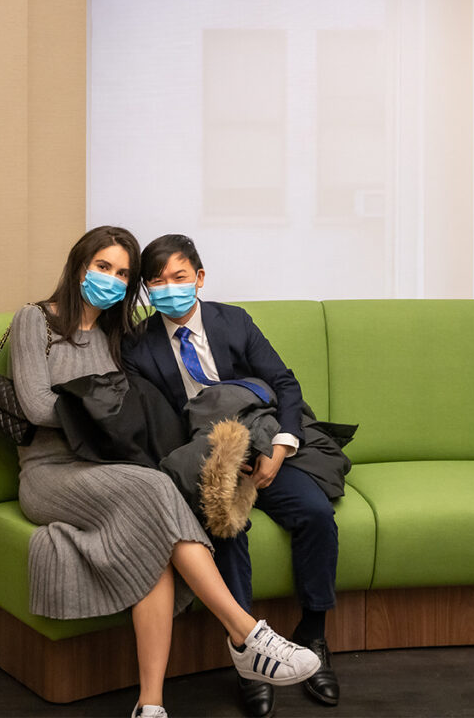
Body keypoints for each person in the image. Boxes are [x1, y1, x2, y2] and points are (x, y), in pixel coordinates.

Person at [11, 226, 320, 718]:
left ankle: (149, 705)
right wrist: (103, 407)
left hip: (111, 466)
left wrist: (107, 411)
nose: (111, 279)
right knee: (156, 487)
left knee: (154, 538)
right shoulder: (37, 320)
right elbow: (36, 406)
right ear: (79, 265)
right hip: (52, 472)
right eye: (102, 267)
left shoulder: (120, 335)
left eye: (122, 273)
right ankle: (247, 636)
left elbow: (139, 408)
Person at [123, 234, 350, 718]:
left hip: (263, 447)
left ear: (199, 278)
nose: (169, 288)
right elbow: (148, 422)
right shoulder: (137, 345)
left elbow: (285, 382)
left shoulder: (233, 321)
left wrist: (281, 447)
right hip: (201, 455)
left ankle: (313, 634)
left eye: (179, 278)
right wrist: (214, 460)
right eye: (157, 282)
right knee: (227, 530)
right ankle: (248, 656)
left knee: (314, 515)